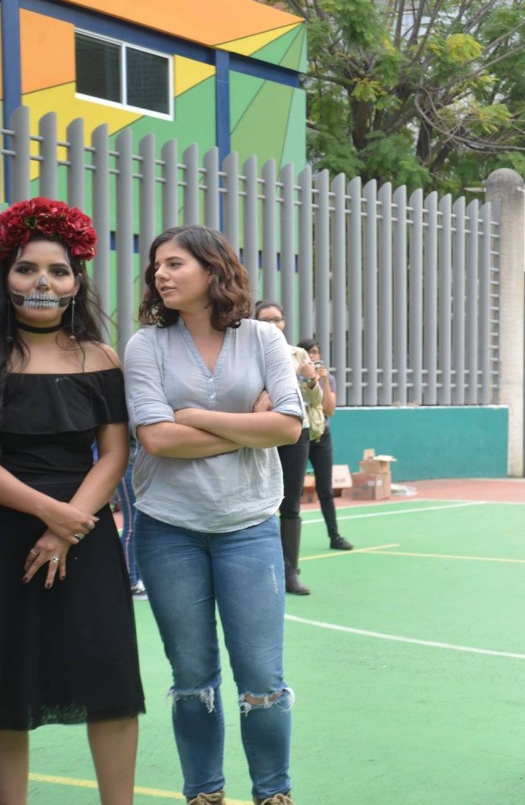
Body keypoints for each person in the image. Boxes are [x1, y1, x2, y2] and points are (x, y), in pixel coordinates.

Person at [123, 224, 304, 805]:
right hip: (167, 529)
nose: (161, 275)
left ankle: (272, 793)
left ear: (212, 269)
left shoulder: (262, 340)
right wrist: (246, 430)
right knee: (191, 679)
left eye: (175, 263)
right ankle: (204, 794)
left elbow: (288, 425)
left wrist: (193, 415)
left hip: (249, 527)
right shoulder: (144, 345)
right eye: (157, 266)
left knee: (261, 679)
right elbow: (155, 440)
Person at [0, 198, 144, 805]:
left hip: (83, 538)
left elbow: (114, 454)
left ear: (76, 281)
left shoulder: (101, 358)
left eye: (57, 271)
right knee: (6, 693)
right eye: (26, 268)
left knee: (109, 681)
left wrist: (66, 526)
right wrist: (45, 512)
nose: (42, 283)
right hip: (9, 535)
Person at [252, 301, 323, 594]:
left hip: (296, 433)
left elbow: (316, 401)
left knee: (290, 503)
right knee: (258, 503)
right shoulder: (247, 351)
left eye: (277, 319)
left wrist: (309, 378)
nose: (272, 324)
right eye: (265, 319)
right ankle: (259, 571)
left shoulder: (299, 354)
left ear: (284, 323)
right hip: (259, 432)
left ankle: (290, 572)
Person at [295, 337, 351, 551]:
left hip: (321, 436)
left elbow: (329, 409)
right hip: (298, 437)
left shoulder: (329, 379)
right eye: (308, 352)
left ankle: (335, 536)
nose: (313, 356)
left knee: (325, 488)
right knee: (293, 491)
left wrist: (324, 381)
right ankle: (287, 542)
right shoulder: (291, 377)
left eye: (316, 352)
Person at [114, 435, 144, 596]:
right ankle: (129, 580)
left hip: (141, 469)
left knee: (140, 525)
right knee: (132, 526)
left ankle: (137, 578)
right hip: (129, 467)